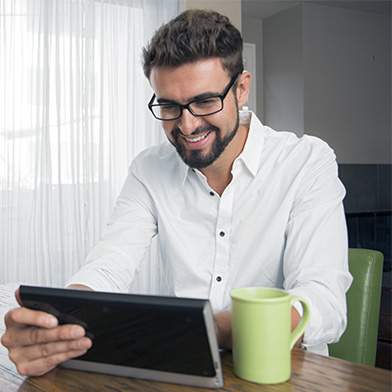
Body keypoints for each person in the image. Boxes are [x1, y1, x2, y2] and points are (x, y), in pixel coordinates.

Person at [2, 9, 352, 377]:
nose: (186, 125)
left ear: (242, 88)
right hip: (183, 370)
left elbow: (324, 303)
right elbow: (109, 266)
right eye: (169, 105)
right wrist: (61, 327)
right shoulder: (149, 169)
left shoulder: (307, 162)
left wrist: (212, 328)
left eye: (204, 101)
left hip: (291, 375)